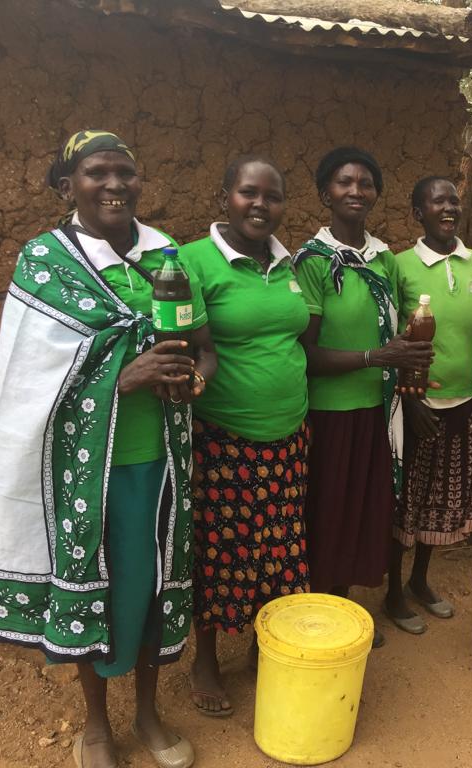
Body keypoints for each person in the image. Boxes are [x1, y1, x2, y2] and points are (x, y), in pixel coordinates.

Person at [0, 130, 217, 768]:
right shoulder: (46, 262)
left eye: (126, 172)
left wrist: (195, 381)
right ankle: (96, 725)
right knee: (94, 590)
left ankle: (149, 714)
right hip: (85, 472)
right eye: (97, 173)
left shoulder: (167, 255)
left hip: (162, 466)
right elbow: (27, 379)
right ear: (68, 185)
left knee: (154, 589)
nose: (114, 185)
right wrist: (120, 378)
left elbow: (204, 344)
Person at [180, 155, 310, 716]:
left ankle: (262, 643)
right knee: (221, 548)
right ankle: (205, 657)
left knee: (278, 548)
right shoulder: (194, 262)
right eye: (248, 193)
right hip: (225, 438)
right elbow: (194, 350)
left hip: (289, 437)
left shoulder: (290, 265)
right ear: (224, 196)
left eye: (273, 196)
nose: (261, 205)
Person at [294, 146, 432, 647]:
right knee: (326, 510)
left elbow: (400, 332)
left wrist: (409, 367)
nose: (356, 191)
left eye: (365, 183)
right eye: (344, 182)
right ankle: (317, 612)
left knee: (359, 510)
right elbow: (306, 352)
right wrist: (376, 358)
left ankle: (344, 605)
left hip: (376, 409)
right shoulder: (311, 262)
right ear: (324, 192)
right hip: (328, 413)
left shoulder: (383, 258)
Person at [383, 177, 472, 634]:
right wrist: (408, 401)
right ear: (417, 212)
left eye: (454, 200)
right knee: (406, 499)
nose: (449, 208)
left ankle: (420, 581)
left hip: (463, 403)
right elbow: (391, 341)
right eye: (437, 201)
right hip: (417, 404)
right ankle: (391, 593)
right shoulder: (401, 265)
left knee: (440, 500)